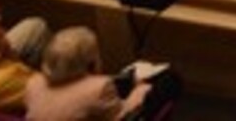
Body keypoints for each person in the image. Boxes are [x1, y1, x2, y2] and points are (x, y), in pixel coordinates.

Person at [22, 27, 152, 121]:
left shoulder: (33, 82)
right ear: (90, 62)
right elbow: (120, 116)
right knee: (166, 83)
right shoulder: (99, 87)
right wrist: (140, 90)